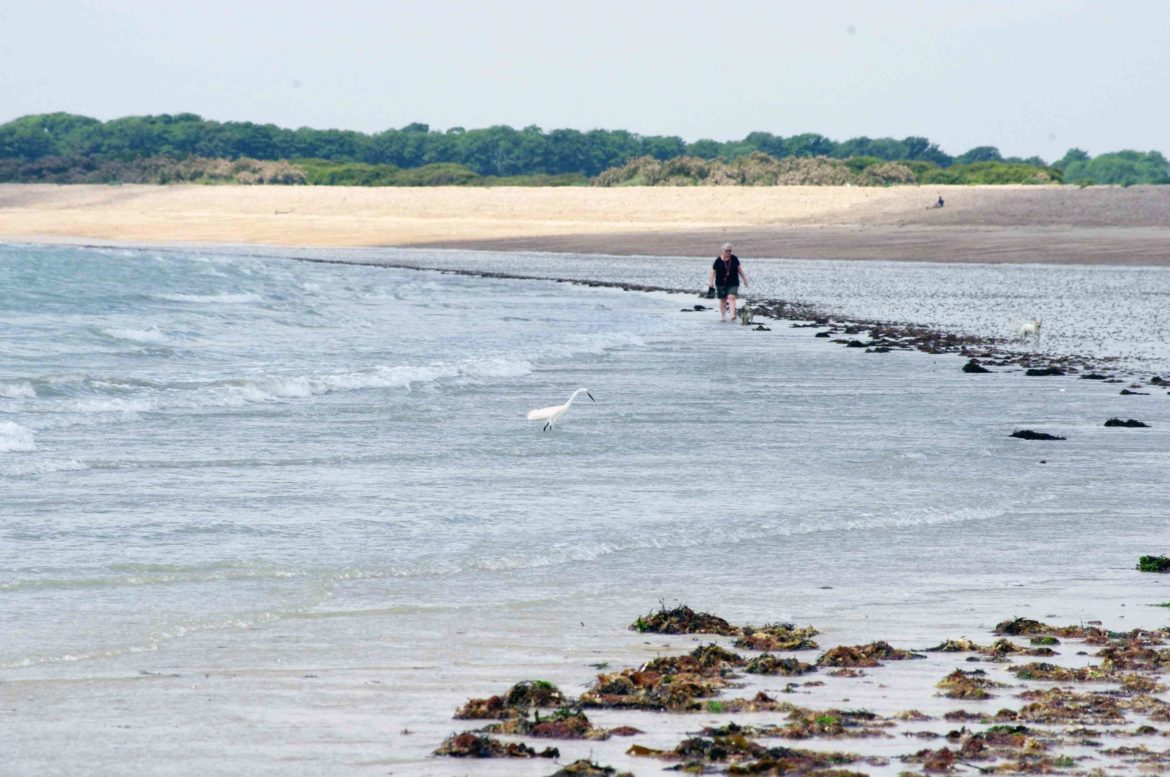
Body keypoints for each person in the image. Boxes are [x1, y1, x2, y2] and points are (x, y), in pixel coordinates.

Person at [708, 243, 749, 321]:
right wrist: (711, 283)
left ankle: (732, 315)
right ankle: (723, 316)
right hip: (720, 283)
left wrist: (745, 279)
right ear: (723, 251)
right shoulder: (718, 260)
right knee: (723, 300)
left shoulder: (734, 258)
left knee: (732, 297)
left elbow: (739, 270)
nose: (728, 252)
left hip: (733, 282)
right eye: (726, 251)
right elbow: (713, 272)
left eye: (729, 251)